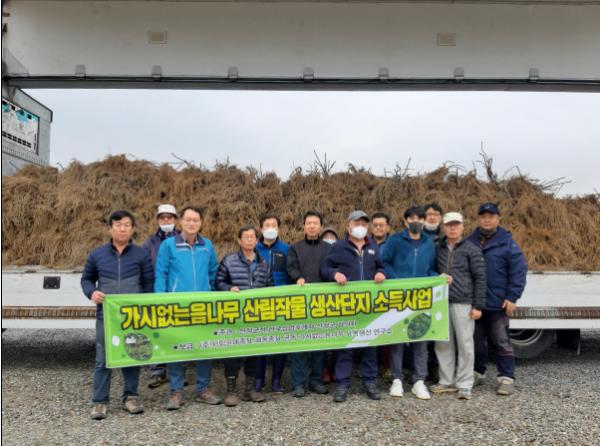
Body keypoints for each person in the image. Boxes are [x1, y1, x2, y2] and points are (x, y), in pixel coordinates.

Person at [81, 210, 154, 420]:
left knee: (133, 355)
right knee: (103, 359)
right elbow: (86, 279)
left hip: (133, 317)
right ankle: (99, 402)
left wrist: (144, 310)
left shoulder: (141, 254)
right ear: (110, 228)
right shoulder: (97, 254)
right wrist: (92, 292)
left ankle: (131, 397)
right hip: (107, 316)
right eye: (118, 225)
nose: (123, 228)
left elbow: (149, 284)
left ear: (132, 229)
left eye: (127, 225)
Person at [154, 206, 221, 410]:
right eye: (188, 219)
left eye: (196, 220)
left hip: (203, 307)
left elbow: (213, 272)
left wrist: (212, 294)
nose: (192, 223)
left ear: (201, 223)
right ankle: (176, 392)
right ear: (181, 222)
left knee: (204, 348)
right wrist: (161, 301)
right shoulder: (168, 245)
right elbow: (161, 274)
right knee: (177, 348)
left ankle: (203, 389)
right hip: (177, 307)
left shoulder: (207, 245)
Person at [321, 210, 386, 403]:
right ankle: (343, 383)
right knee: (346, 346)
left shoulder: (373, 246)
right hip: (347, 306)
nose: (360, 227)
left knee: (370, 345)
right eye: (357, 223)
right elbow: (325, 267)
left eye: (364, 224)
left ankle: (370, 381)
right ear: (348, 226)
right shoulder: (338, 247)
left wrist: (381, 273)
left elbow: (382, 266)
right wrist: (334, 274)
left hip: (369, 305)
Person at [467, 203, 527, 396]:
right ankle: (478, 372)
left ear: (498, 219)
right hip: (475, 303)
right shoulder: (469, 241)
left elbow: (518, 271)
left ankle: (506, 377)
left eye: (491, 216)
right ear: (478, 219)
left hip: (498, 302)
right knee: (475, 341)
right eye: (483, 216)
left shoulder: (507, 243)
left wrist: (512, 296)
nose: (487, 220)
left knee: (501, 341)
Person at [382, 206, 437, 400]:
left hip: (421, 298)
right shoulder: (395, 240)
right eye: (411, 218)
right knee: (397, 339)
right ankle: (397, 379)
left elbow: (431, 268)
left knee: (420, 340)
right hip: (399, 297)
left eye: (419, 219)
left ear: (424, 221)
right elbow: (384, 262)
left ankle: (419, 381)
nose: (416, 222)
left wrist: (436, 278)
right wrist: (397, 281)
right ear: (405, 221)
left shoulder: (429, 244)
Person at [431, 212, 486, 400]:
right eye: (449, 224)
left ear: (463, 226)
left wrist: (478, 305)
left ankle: (464, 383)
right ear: (444, 227)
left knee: (465, 344)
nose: (452, 228)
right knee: (442, 343)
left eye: (456, 224)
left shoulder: (471, 249)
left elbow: (480, 277)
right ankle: (446, 381)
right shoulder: (438, 248)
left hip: (463, 302)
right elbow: (432, 271)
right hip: (441, 303)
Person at [216, 224, 273, 406]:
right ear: (239, 240)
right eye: (245, 237)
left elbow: (270, 287)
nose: (249, 240)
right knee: (232, 354)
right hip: (234, 317)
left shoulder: (264, 264)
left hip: (256, 316)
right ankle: (231, 391)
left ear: (257, 240)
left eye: (252, 237)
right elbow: (218, 282)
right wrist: (228, 288)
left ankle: (250, 389)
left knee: (254, 354)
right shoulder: (228, 261)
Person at [287, 210, 331, 397]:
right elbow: (291, 267)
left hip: (322, 302)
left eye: (315, 223)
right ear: (304, 226)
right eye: (309, 223)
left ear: (321, 227)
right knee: (300, 344)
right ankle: (298, 383)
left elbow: (331, 268)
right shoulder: (295, 248)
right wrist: (298, 277)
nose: (312, 226)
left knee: (319, 344)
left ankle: (316, 381)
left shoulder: (328, 248)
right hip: (300, 302)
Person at [141, 203, 179, 389]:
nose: (166, 220)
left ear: (175, 220)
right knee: (155, 331)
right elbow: (145, 267)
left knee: (175, 333)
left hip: (177, 293)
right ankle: (157, 372)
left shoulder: (182, 239)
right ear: (157, 220)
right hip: (156, 293)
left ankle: (176, 374)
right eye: (162, 218)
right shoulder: (149, 243)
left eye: (169, 217)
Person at [255, 212, 289, 393]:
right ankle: (259, 379)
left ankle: (276, 380)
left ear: (279, 228)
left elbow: (291, 273)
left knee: (280, 342)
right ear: (261, 228)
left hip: (281, 301)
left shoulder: (286, 249)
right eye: (267, 225)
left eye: (274, 225)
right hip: (259, 302)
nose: (270, 229)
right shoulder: (254, 249)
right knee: (260, 341)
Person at [371, 211, 393, 383]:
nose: (378, 228)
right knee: (369, 330)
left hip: (388, 292)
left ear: (388, 227)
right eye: (375, 225)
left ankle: (386, 367)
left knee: (387, 332)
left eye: (382, 225)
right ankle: (370, 369)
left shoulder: (394, 244)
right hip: (368, 294)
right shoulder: (365, 244)